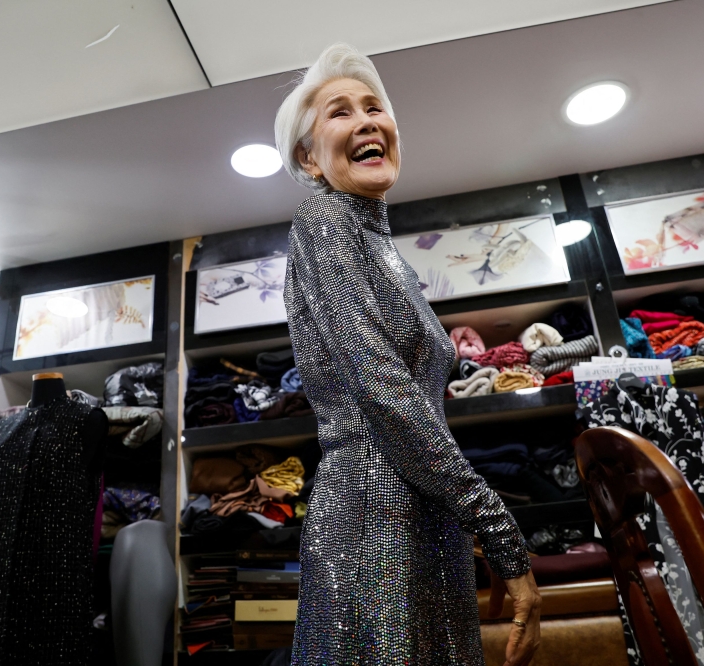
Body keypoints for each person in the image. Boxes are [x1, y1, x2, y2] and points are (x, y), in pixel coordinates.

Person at [274, 43, 541, 666]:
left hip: (419, 518)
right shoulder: (324, 220)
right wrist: (502, 534)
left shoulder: (380, 247)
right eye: (340, 112)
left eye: (375, 107)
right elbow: (384, 393)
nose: (368, 120)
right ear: (310, 159)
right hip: (372, 525)